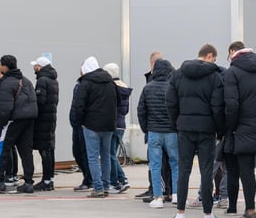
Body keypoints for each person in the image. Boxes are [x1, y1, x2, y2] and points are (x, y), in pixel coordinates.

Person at [166, 44, 225, 218]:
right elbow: (218, 107)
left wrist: (177, 122)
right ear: (209, 56)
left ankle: (180, 213)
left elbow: (170, 102)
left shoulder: (178, 74)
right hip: (207, 130)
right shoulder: (215, 77)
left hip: (185, 129)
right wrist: (219, 129)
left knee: (184, 170)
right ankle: (208, 213)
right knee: (206, 171)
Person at [223, 41, 256, 218]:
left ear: (234, 55)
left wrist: (231, 127)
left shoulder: (232, 72)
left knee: (246, 172)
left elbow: (231, 105)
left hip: (243, 129)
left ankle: (250, 211)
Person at [0, 55, 38, 193]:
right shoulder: (26, 80)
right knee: (26, 151)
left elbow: (6, 108)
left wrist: (1, 122)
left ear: (4, 66)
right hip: (29, 119)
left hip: (13, 120)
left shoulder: (6, 83)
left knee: (3, 148)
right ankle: (28, 183)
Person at [72, 57, 119, 198]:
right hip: (109, 125)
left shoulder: (85, 83)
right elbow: (118, 101)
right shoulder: (110, 82)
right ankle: (105, 186)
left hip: (91, 125)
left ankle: (97, 187)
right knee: (105, 156)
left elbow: (79, 106)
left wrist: (80, 122)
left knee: (93, 157)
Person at [137, 57, 178, 208]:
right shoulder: (173, 87)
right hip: (172, 132)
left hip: (154, 131)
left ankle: (157, 197)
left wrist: (145, 129)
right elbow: (177, 109)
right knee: (175, 163)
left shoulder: (148, 88)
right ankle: (176, 195)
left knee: (155, 165)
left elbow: (141, 110)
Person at [31, 56, 59, 191]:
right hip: (51, 118)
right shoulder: (54, 80)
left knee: (44, 150)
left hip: (43, 119)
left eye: (35, 66)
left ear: (40, 67)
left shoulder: (42, 80)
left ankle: (46, 181)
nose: (34, 68)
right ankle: (50, 179)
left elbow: (40, 101)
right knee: (49, 149)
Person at [104, 63, 133, 193]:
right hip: (121, 125)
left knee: (110, 154)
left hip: (112, 124)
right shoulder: (124, 87)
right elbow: (125, 110)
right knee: (112, 153)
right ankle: (121, 180)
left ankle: (118, 180)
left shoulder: (110, 87)